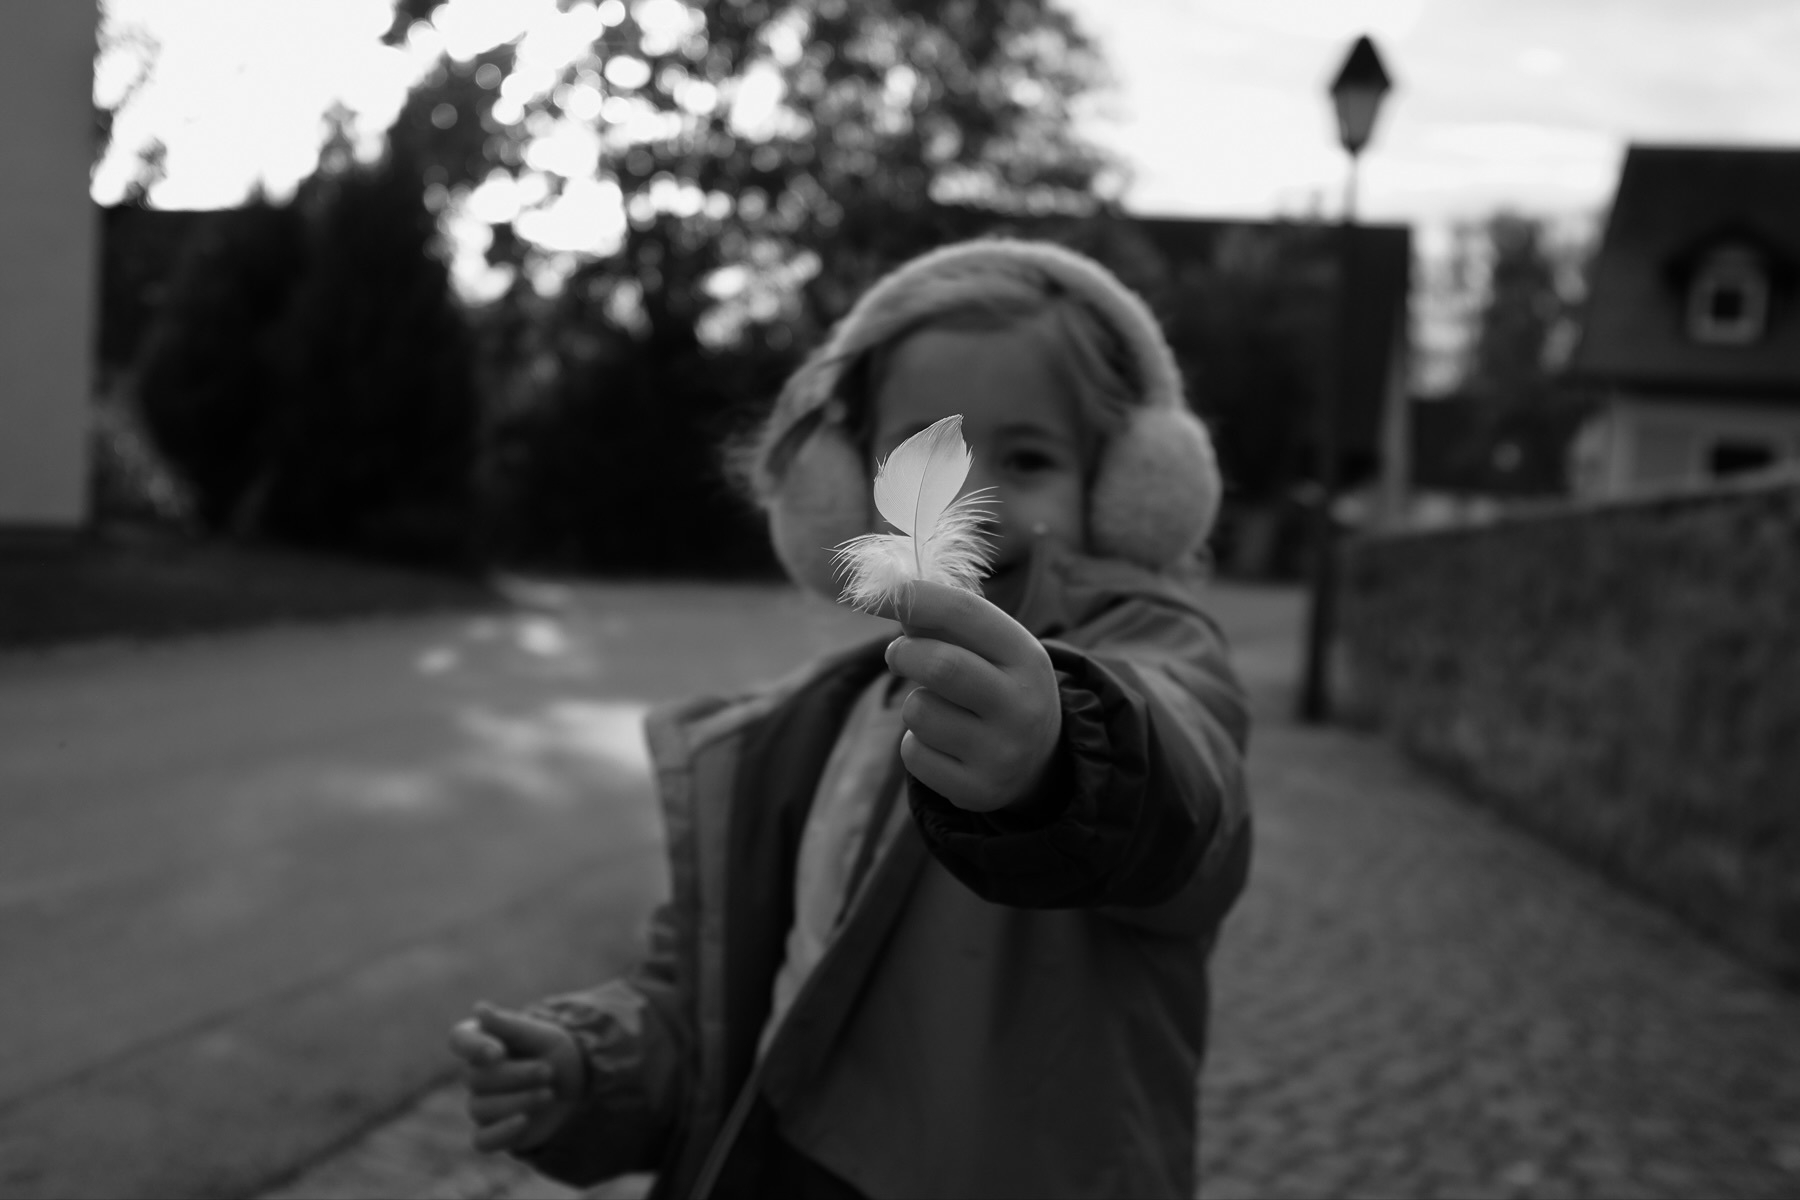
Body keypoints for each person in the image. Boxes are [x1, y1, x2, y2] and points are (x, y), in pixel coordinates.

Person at [447, 238, 1252, 1199]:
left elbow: (1190, 796)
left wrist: (1062, 756)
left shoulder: (1147, 662)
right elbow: (712, 1011)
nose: (976, 501)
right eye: (929, 456)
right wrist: (591, 1070)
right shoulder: (799, 738)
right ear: (844, 492)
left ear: (1127, 492)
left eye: (1028, 457)